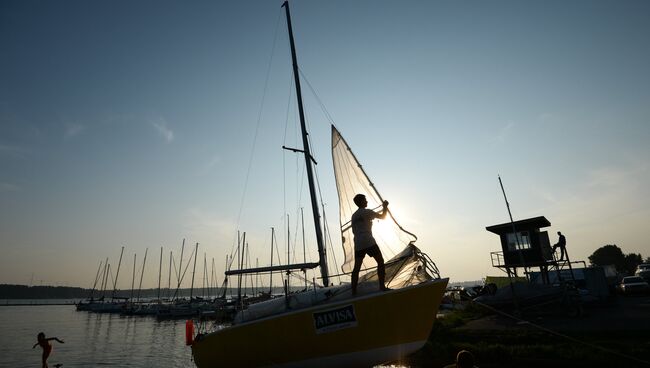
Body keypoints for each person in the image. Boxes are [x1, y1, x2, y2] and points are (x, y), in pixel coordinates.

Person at [350, 193, 389, 295]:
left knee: (356, 268)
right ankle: (382, 287)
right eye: (365, 200)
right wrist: (385, 207)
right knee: (380, 261)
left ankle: (353, 292)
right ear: (361, 202)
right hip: (368, 241)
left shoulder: (354, 216)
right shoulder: (367, 212)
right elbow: (383, 217)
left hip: (358, 243)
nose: (367, 201)